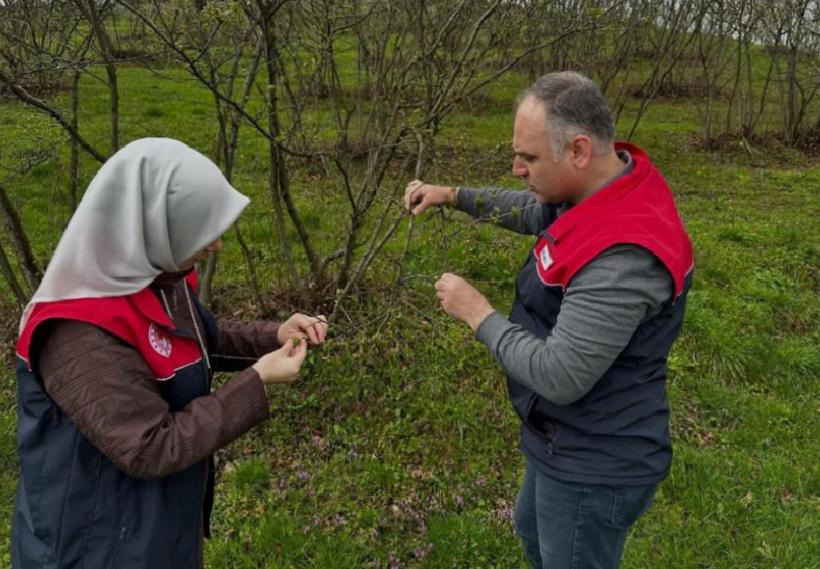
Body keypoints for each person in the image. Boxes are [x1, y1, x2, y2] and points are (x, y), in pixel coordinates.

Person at [405, 72, 693, 569]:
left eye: (530, 157)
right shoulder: (600, 191)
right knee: (532, 533)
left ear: (578, 150)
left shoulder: (621, 256)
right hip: (562, 438)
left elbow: (560, 375)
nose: (517, 169)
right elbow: (532, 210)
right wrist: (452, 194)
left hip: (597, 458)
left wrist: (478, 313)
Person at [12, 138, 328, 569]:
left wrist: (274, 335)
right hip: (95, 544)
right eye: (202, 229)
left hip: (153, 528)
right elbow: (149, 447)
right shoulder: (77, 333)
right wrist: (255, 381)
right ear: (155, 226)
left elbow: (196, 339)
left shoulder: (154, 276)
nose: (216, 244)